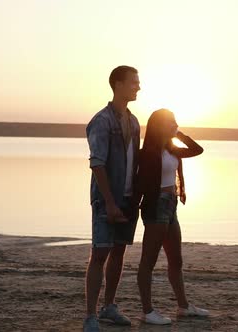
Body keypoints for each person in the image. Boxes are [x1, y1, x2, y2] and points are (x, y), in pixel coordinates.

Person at [135, 108, 209, 324]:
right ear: (159, 125)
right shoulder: (148, 152)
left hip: (171, 205)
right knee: (148, 261)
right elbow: (140, 184)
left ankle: (183, 307)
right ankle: (147, 311)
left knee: (176, 259)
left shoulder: (172, 148)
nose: (174, 124)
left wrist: (179, 134)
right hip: (156, 205)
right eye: (171, 122)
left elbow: (197, 149)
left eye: (175, 121)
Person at [84, 65, 141, 332]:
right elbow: (97, 163)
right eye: (133, 83)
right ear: (118, 84)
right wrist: (108, 201)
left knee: (118, 252)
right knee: (100, 253)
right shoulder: (101, 121)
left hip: (129, 199)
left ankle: (109, 306)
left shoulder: (133, 121)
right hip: (107, 199)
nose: (138, 87)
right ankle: (90, 315)